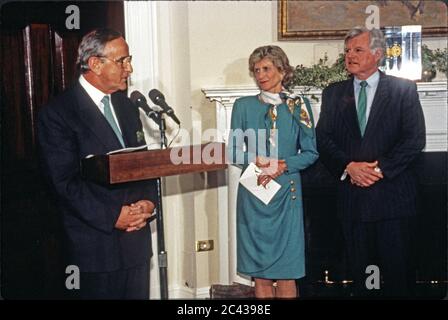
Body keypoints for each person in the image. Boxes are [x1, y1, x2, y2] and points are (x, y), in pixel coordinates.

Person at [37, 28, 157, 299]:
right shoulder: (58, 113)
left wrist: (148, 203)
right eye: (122, 61)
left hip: (136, 242)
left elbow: (144, 164)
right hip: (94, 247)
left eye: (129, 60)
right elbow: (63, 183)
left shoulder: (127, 107)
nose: (130, 68)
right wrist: (115, 215)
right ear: (95, 64)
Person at [316, 26, 426, 297]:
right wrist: (349, 167)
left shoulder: (403, 89)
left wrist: (379, 169)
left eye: (357, 50)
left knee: (397, 279)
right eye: (347, 51)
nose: (350, 56)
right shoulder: (333, 93)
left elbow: (414, 139)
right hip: (353, 201)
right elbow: (323, 139)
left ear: (377, 54)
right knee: (364, 280)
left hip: (394, 200)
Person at [228, 45, 318, 298]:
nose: (260, 75)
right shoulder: (242, 106)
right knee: (261, 274)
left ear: (282, 70)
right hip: (254, 193)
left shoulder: (298, 105)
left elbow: (312, 152)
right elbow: (233, 152)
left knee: (287, 273)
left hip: (287, 194)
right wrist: (259, 160)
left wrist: (283, 164)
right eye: (256, 70)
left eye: (266, 68)